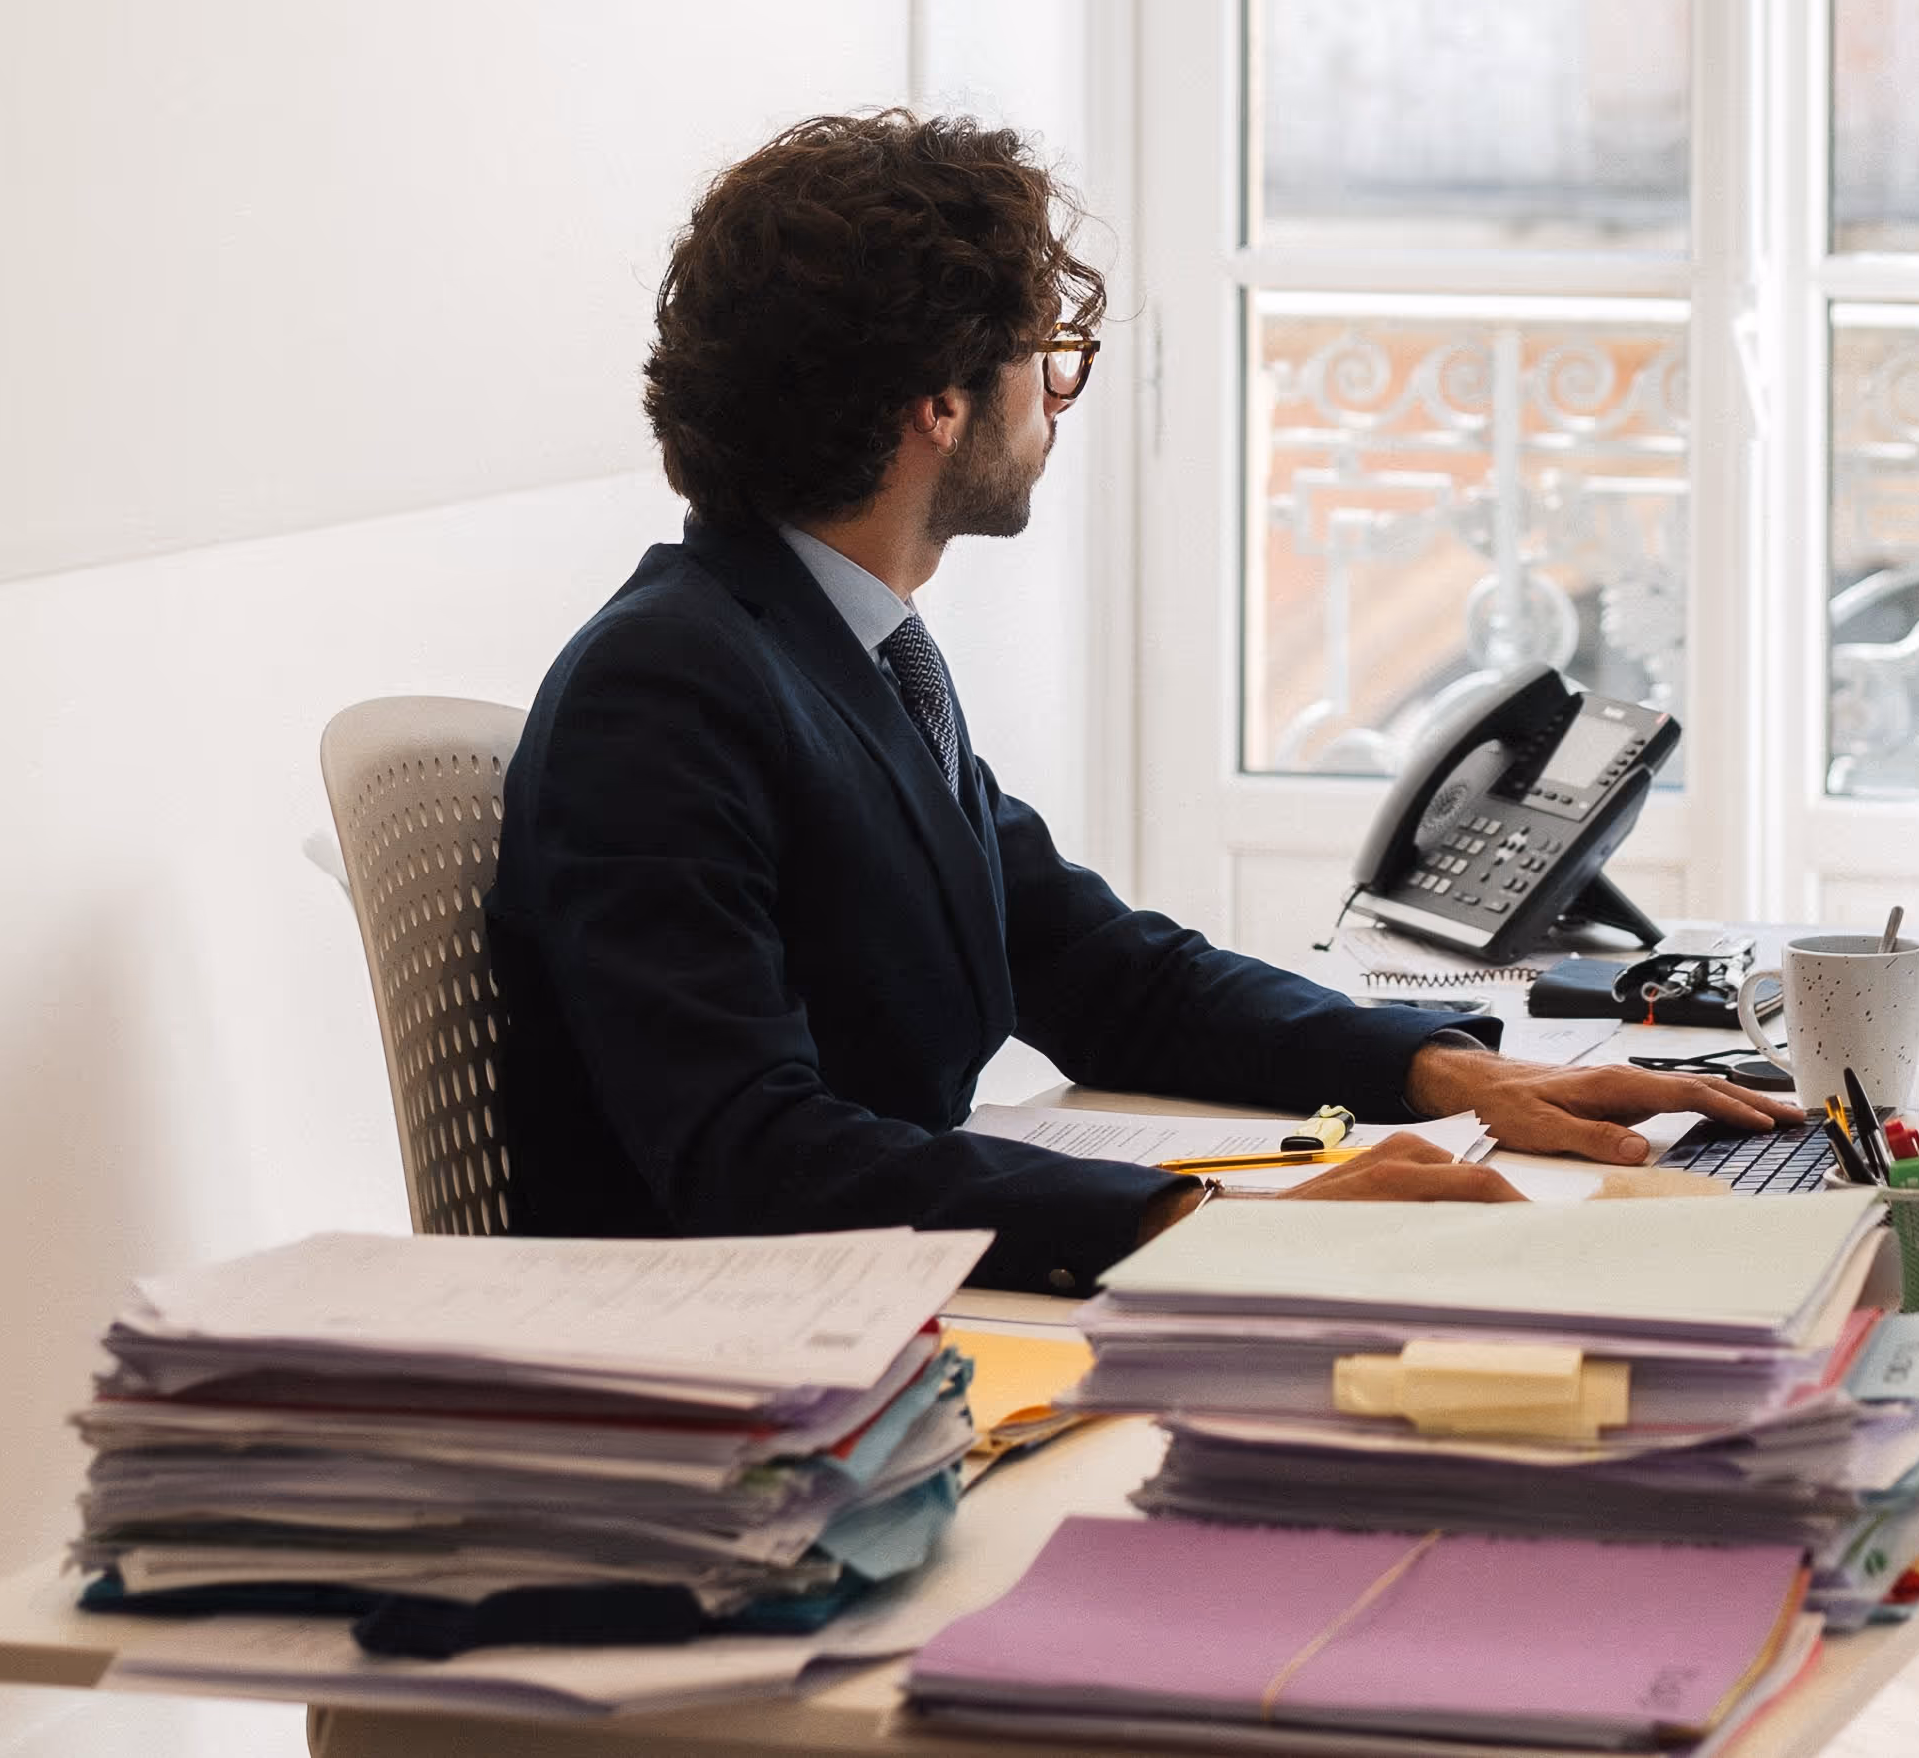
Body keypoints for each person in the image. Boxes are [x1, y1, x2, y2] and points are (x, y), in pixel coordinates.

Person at [489, 112, 1792, 1292]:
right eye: (1046, 361)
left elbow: (1104, 974)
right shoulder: (667, 691)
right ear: (938, 403)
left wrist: (1439, 1070)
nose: (1058, 400)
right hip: (747, 1370)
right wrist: (1208, 1229)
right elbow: (755, 1156)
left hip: (878, 1320)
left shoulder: (841, 656)